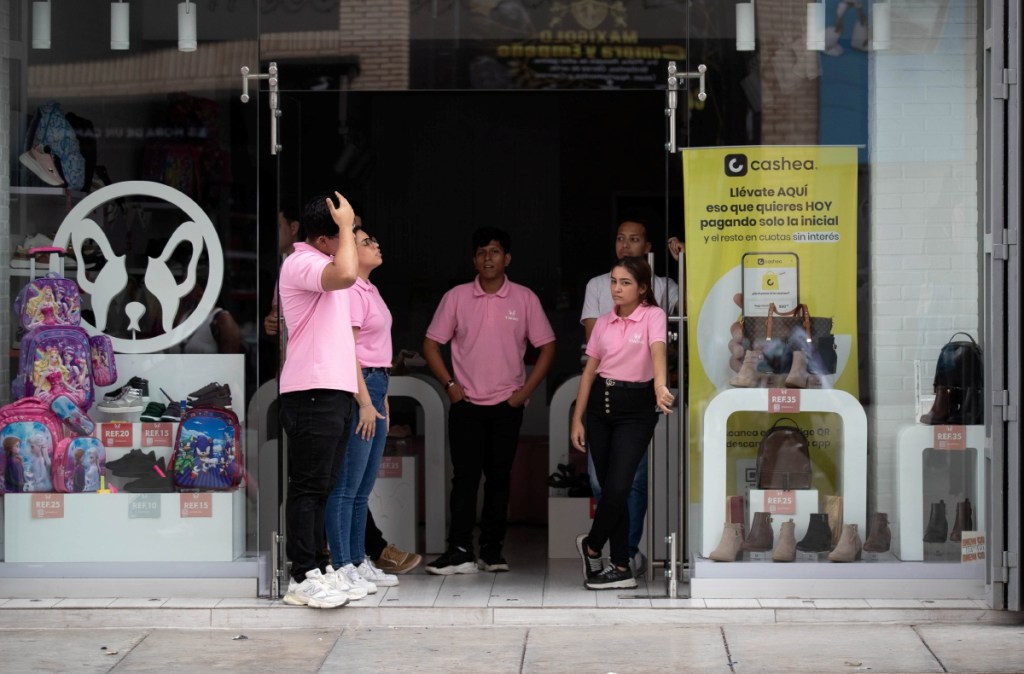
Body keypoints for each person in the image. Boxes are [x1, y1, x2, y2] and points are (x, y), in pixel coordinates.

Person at [423, 227, 556, 574]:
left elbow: (548, 347)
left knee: (499, 479)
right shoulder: (456, 297)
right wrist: (449, 384)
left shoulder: (524, 298)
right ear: (474, 259)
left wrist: (524, 393)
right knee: (464, 479)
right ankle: (460, 550)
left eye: (495, 252)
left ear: (507, 258)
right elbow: (430, 344)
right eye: (482, 252)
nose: (488, 258)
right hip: (465, 404)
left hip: (506, 405)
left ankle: (492, 551)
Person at [579, 215, 680, 576]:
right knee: (606, 486)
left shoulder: (654, 311)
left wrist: (659, 384)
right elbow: (590, 368)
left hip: (636, 406)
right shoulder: (604, 319)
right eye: (614, 282)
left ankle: (592, 545)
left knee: (622, 486)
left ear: (642, 287)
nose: (617, 288)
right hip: (600, 405)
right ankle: (620, 562)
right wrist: (577, 417)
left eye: (625, 283)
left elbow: (658, 349)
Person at [277, 191, 359, 609]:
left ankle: (320, 567)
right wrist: (345, 225)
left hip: (333, 390)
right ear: (324, 239)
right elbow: (346, 274)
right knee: (308, 487)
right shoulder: (303, 263)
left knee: (324, 486)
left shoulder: (324, 264)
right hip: (311, 391)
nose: (353, 238)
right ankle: (301, 575)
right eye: (346, 232)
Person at [325, 223, 400, 593]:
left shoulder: (369, 288)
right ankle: (342, 564)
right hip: (361, 388)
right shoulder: (352, 290)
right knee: (346, 485)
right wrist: (366, 401)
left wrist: (381, 394)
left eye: (374, 239)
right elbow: (348, 350)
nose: (376, 244)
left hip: (376, 383)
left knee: (362, 486)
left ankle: (358, 560)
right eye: (366, 242)